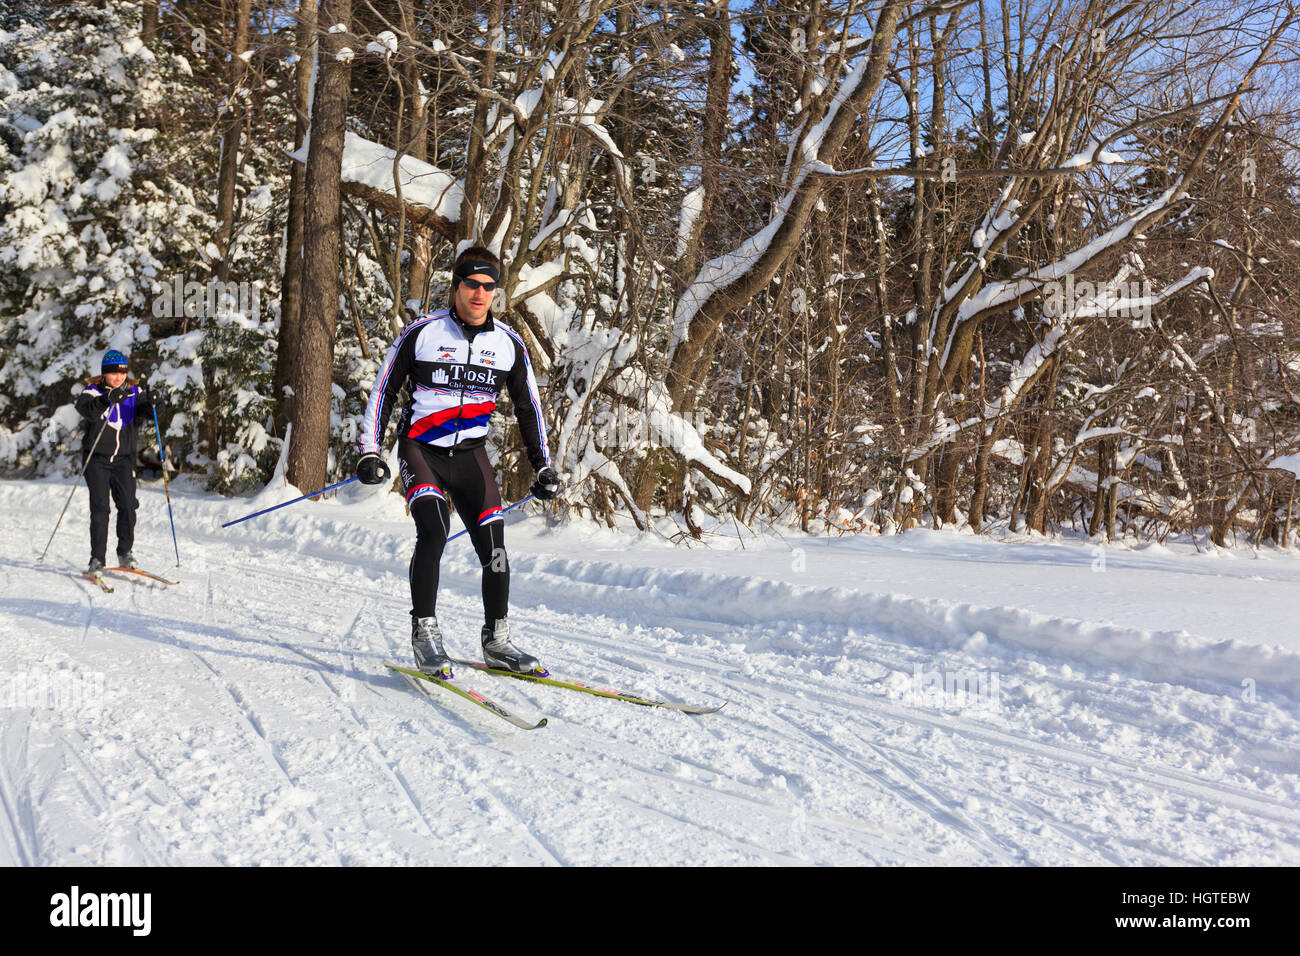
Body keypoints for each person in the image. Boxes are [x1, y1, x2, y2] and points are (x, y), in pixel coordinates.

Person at [356, 247, 561, 678]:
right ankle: (425, 633)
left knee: (496, 550)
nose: (479, 293)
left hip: (470, 456)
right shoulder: (423, 333)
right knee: (434, 529)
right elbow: (383, 392)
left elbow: (530, 409)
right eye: (472, 284)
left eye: (488, 286)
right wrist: (371, 452)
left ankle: (497, 641)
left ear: (496, 293)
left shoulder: (508, 345)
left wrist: (542, 465)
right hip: (421, 450)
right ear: (456, 287)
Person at [74, 349, 163, 575]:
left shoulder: (134, 391)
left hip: (123, 459)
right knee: (101, 508)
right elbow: (87, 410)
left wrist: (156, 403)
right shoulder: (92, 392)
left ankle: (125, 552)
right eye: (113, 373)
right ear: (104, 374)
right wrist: (106, 399)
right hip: (97, 459)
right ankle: (97, 559)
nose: (118, 377)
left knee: (127, 505)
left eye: (122, 373)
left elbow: (147, 411)